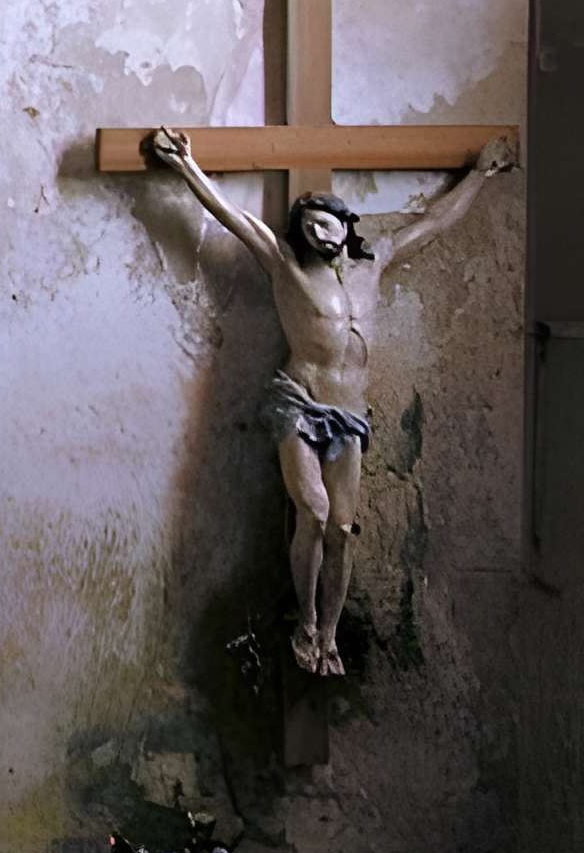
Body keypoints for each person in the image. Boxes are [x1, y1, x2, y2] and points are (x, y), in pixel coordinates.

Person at [144, 126, 516, 675]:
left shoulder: (375, 264)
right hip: (299, 401)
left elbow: (435, 222)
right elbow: (232, 217)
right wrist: (186, 167)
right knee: (313, 513)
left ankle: (331, 634)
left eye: (330, 221)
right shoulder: (285, 265)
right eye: (311, 223)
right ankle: (305, 622)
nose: (321, 229)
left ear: (346, 227)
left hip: (349, 414)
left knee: (342, 527)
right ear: (301, 232)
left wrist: (481, 174)